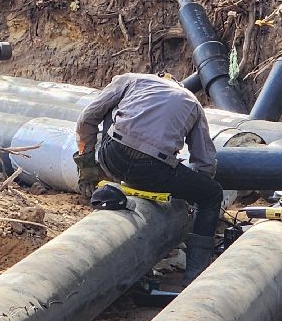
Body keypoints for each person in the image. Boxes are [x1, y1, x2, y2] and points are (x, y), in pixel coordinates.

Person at [74, 72, 222, 281]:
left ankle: (113, 193)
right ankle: (195, 276)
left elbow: (86, 119)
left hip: (112, 156)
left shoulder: (132, 80)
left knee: (108, 112)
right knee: (211, 194)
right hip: (155, 170)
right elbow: (205, 162)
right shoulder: (192, 102)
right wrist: (192, 191)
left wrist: (87, 165)